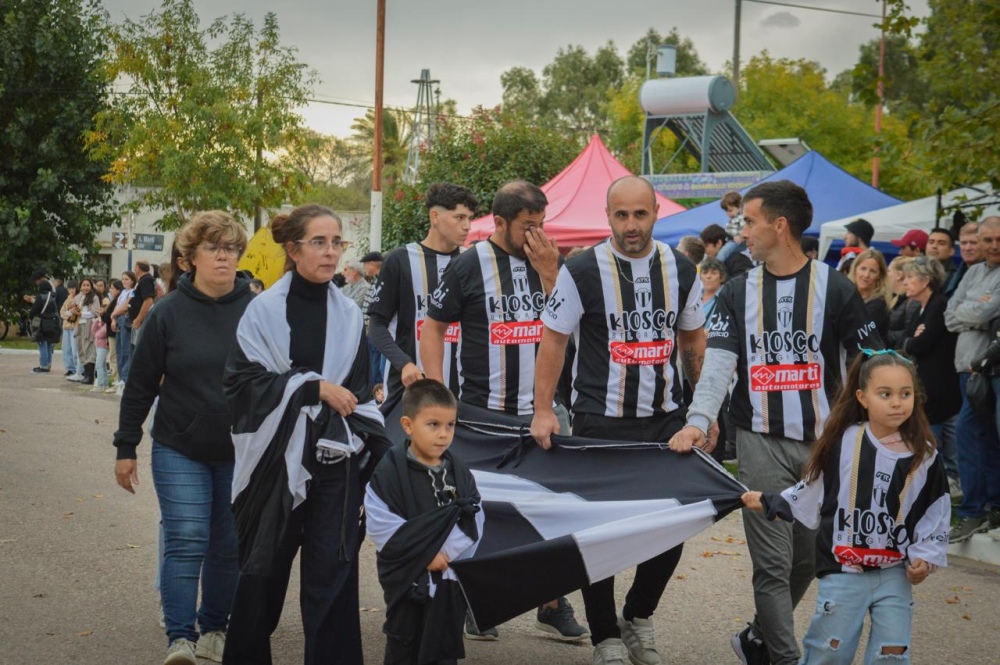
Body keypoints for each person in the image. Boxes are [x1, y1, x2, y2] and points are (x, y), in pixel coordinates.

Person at [668, 180, 881, 665]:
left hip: (821, 445)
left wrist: (873, 437)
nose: (741, 233)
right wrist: (699, 420)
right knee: (772, 565)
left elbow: (869, 366)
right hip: (758, 440)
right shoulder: (738, 291)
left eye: (748, 221)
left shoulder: (839, 288)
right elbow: (718, 364)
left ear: (779, 226)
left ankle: (757, 638)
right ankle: (786, 659)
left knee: (805, 563)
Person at [531, 176, 707, 665]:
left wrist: (702, 412)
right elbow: (553, 341)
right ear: (608, 217)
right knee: (600, 533)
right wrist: (543, 411)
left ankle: (638, 616)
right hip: (599, 423)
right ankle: (604, 636)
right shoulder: (583, 269)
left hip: (665, 422)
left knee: (671, 529)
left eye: (641, 214)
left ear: (656, 213)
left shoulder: (680, 268)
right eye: (621, 215)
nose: (631, 225)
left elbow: (693, 341)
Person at [222, 204, 389, 665]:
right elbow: (239, 385)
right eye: (319, 242)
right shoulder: (262, 313)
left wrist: (370, 440)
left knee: (333, 576)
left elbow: (358, 394)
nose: (331, 252)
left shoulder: (351, 316)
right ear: (293, 250)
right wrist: (311, 387)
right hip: (275, 466)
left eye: (337, 242)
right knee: (262, 574)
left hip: (335, 464)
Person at [422, 180, 587, 643]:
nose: (536, 234)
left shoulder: (550, 261)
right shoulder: (468, 264)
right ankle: (480, 600)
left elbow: (572, 318)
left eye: (542, 224)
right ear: (498, 222)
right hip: (483, 411)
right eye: (527, 227)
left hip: (545, 411)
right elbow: (433, 328)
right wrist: (435, 391)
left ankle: (552, 603)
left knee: (554, 511)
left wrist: (552, 270)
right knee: (479, 515)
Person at [741, 350, 949, 665]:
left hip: (895, 573)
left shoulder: (926, 454)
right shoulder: (843, 443)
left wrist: (925, 558)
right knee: (828, 651)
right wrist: (771, 501)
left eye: (905, 394)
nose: (897, 402)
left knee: (891, 654)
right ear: (862, 397)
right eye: (885, 394)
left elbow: (936, 511)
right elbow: (812, 489)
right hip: (843, 570)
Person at [113, 211, 253, 665]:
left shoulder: (255, 310)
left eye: (231, 249)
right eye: (213, 248)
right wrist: (125, 447)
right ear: (190, 257)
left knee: (229, 543)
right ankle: (180, 636)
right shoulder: (168, 312)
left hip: (241, 449)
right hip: (180, 445)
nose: (224, 257)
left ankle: (215, 628)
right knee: (188, 536)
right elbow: (140, 384)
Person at [366, 379, 484, 665]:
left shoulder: (460, 471)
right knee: (403, 645)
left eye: (450, 425)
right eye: (433, 424)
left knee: (442, 647)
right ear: (407, 425)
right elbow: (381, 521)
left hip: (447, 582)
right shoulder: (390, 470)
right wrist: (425, 553)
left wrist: (447, 553)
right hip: (408, 582)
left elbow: (475, 515)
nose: (443, 434)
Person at [368, 182, 477, 410]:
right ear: (435, 216)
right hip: (408, 387)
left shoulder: (471, 261)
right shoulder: (400, 259)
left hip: (464, 391)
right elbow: (376, 327)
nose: (467, 226)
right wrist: (404, 363)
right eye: (459, 218)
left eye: (470, 218)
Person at [943, 216, 1000, 543]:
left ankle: (976, 510)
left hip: (989, 367)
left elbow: (981, 313)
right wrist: (975, 313)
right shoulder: (974, 271)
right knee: (978, 437)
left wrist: (974, 312)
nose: (993, 245)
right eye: (987, 240)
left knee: (975, 436)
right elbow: (951, 314)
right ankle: (984, 508)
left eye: (998, 239)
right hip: (967, 368)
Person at [896, 257, 962, 499]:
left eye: (910, 277)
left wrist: (912, 340)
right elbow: (905, 337)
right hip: (928, 384)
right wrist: (911, 340)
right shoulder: (922, 307)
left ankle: (946, 485)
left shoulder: (939, 305)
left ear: (925, 280)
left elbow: (921, 343)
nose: (905, 282)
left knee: (939, 440)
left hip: (940, 386)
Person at [848, 249, 891, 342]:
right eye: (863, 268)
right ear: (855, 269)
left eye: (872, 271)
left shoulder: (879, 304)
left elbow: (854, 331)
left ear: (879, 275)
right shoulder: (847, 296)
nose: (866, 275)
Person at [26, 270, 60, 373]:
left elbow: (34, 310)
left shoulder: (40, 297)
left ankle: (43, 366)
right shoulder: (52, 297)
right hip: (51, 322)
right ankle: (48, 364)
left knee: (42, 343)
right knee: (49, 344)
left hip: (42, 323)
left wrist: (30, 314)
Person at [72, 277, 102, 385]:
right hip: (78, 325)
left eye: (88, 285)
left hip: (89, 325)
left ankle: (90, 376)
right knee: (80, 348)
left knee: (89, 348)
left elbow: (96, 312)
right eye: (83, 285)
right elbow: (73, 310)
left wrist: (82, 314)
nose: (85, 287)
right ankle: (85, 373)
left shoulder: (94, 298)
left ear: (91, 286)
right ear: (80, 287)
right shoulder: (77, 297)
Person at [111, 271, 136, 390]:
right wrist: (113, 319)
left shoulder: (132, 292)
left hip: (125, 318)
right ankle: (121, 377)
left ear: (132, 280)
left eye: (127, 279)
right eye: (123, 279)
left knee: (126, 350)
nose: (124, 281)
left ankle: (126, 377)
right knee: (119, 350)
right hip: (118, 318)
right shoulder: (123, 292)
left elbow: (125, 306)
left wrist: (114, 314)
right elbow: (117, 305)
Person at [945, 221, 982, 297]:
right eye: (964, 243)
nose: (967, 248)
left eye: (973, 243)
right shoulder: (953, 274)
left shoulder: (994, 275)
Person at [130, 259, 157, 344]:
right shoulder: (143, 280)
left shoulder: (146, 280)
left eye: (135, 267)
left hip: (142, 322)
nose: (134, 270)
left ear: (138, 268)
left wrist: (138, 319)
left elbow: (148, 301)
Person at [60, 280, 80, 379]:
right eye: (70, 288)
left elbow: (77, 311)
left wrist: (69, 313)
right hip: (66, 327)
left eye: (73, 288)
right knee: (66, 348)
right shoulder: (67, 299)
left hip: (74, 327)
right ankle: (70, 368)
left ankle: (77, 369)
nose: (71, 290)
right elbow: (62, 311)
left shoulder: (78, 298)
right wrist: (68, 313)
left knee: (74, 349)